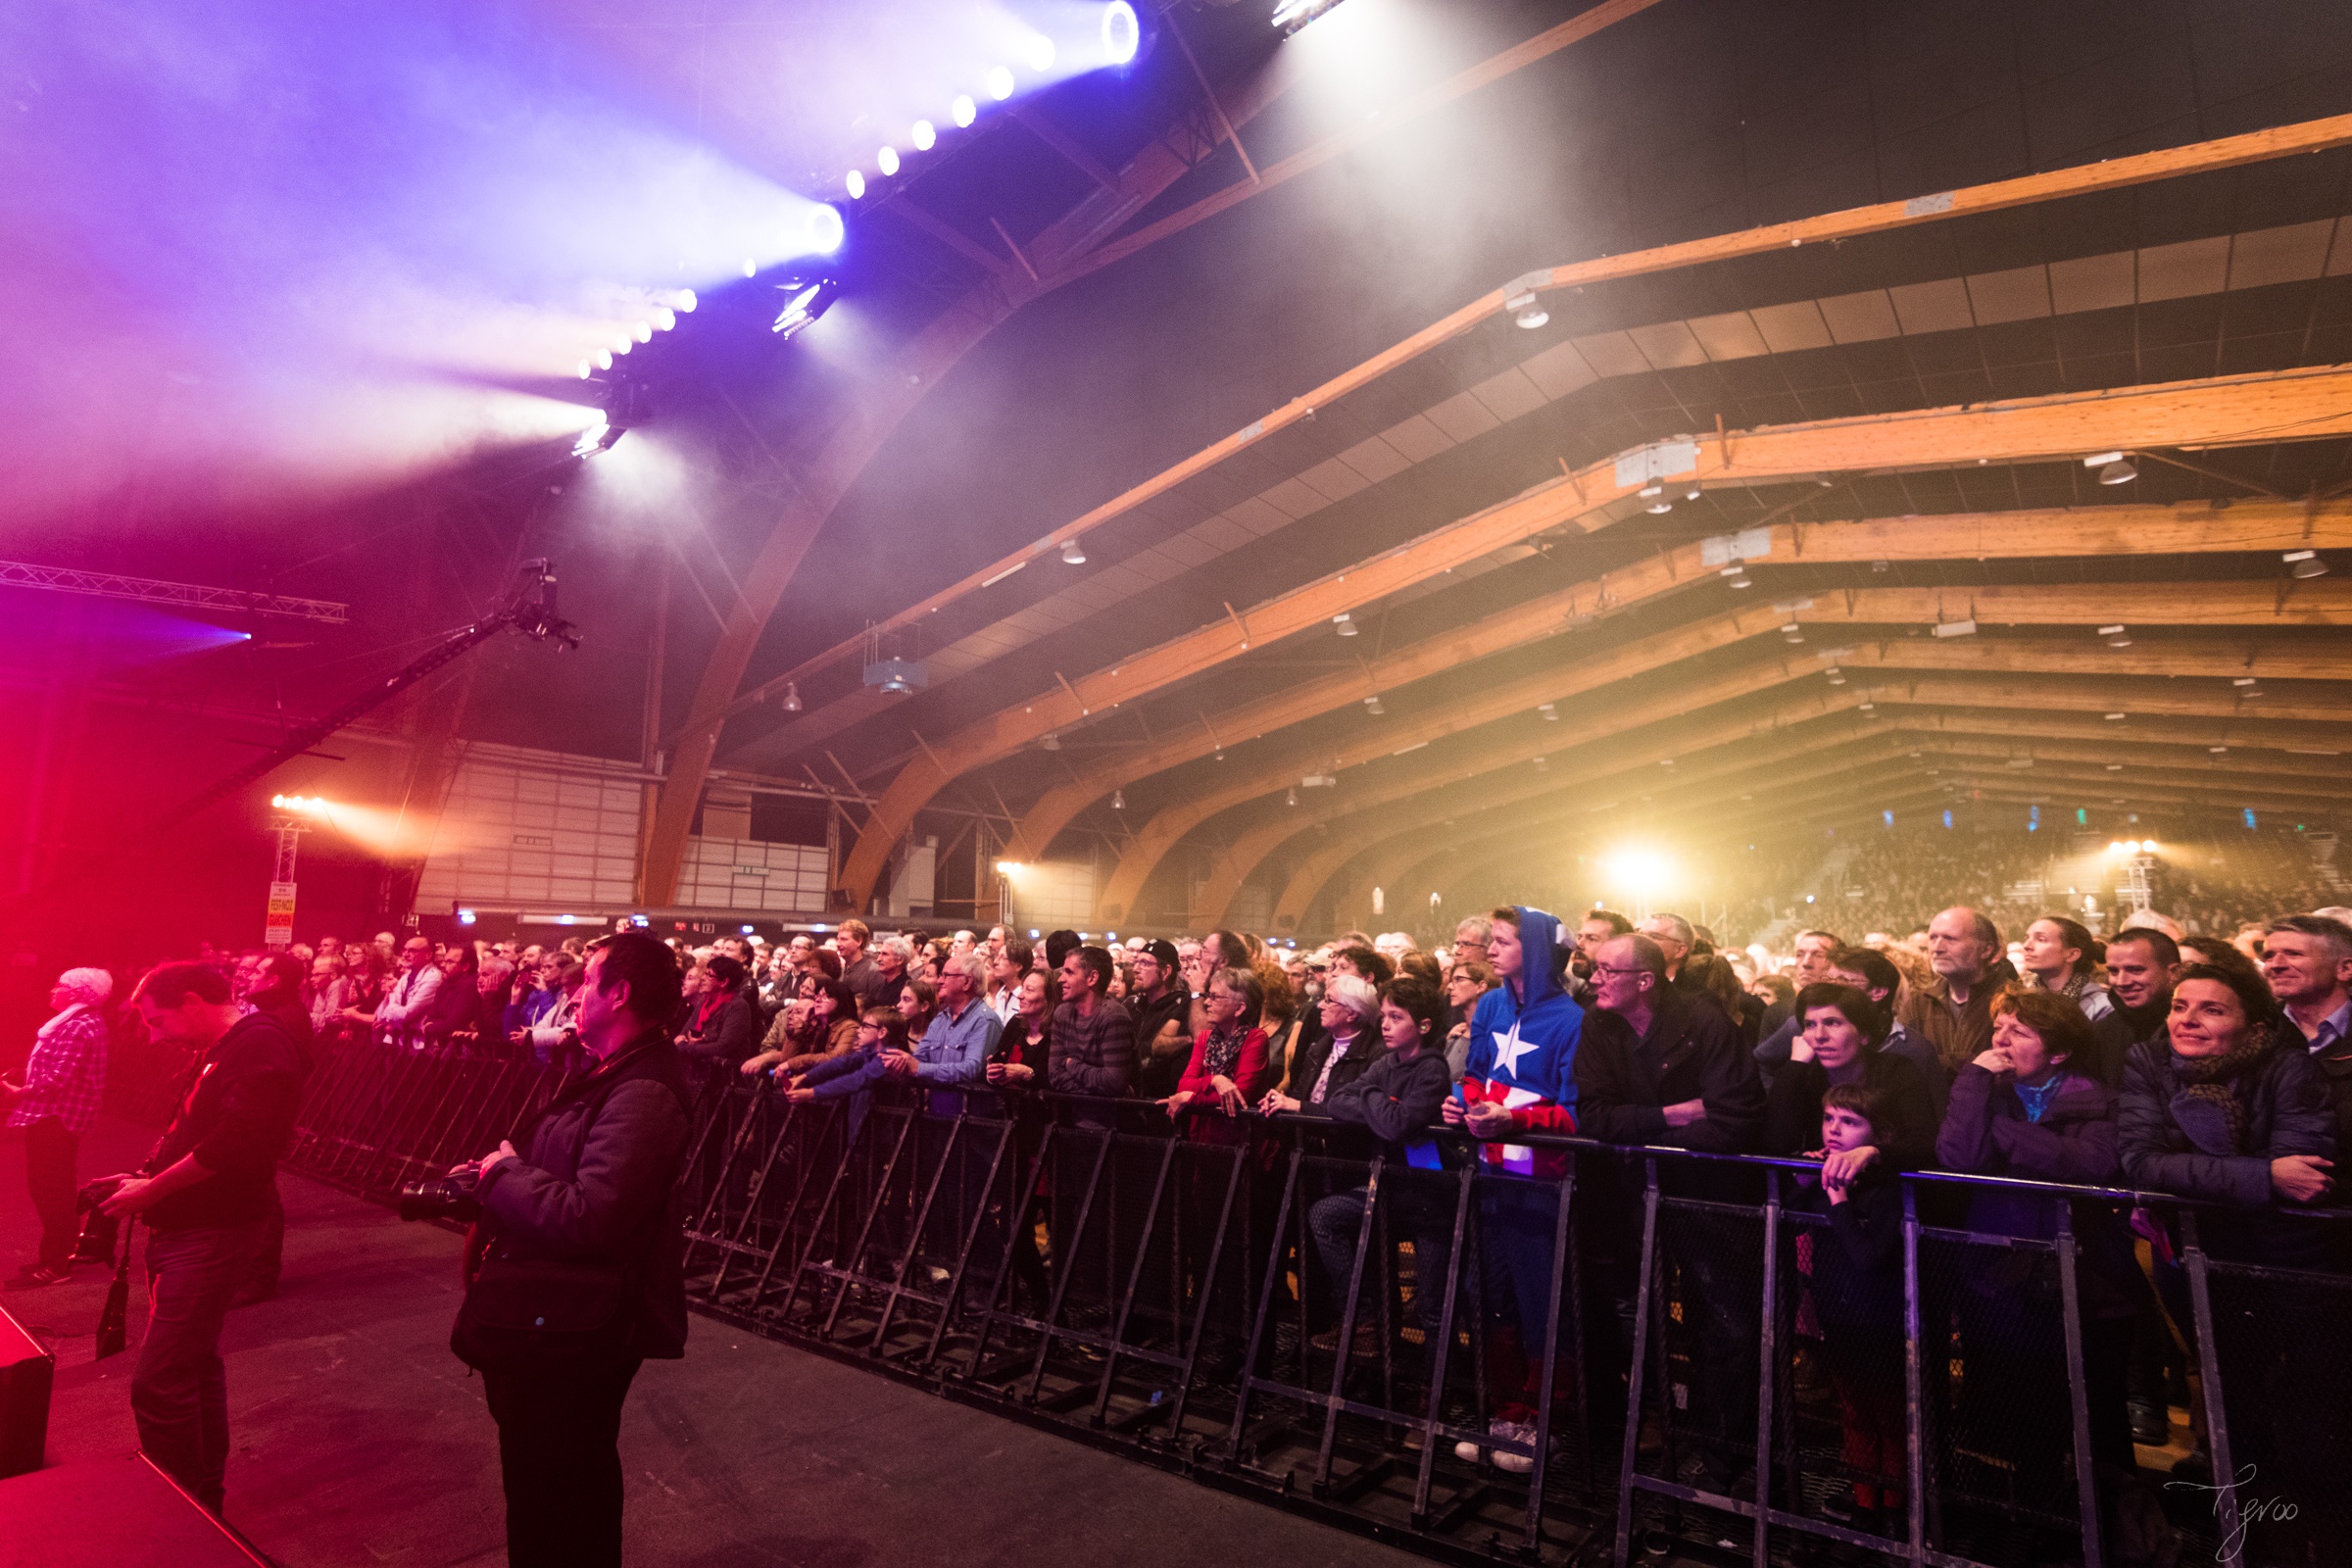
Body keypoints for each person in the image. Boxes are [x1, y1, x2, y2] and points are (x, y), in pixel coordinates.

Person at [451, 932, 693, 1568]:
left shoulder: (644, 1090)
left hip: (578, 1324)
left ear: (620, 993)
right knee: (542, 1489)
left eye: (587, 981)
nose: (574, 993)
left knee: (562, 1494)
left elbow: (593, 1215)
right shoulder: (612, 1071)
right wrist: (493, 1176)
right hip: (551, 1314)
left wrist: (505, 1176)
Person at [98, 962, 304, 1514]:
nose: (154, 1034)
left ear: (192, 1001)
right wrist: (148, 1181)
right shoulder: (236, 1045)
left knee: (159, 1383)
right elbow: (203, 1134)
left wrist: (152, 1190)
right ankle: (199, 1501)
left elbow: (235, 1143)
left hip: (212, 1231)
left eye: (157, 1020)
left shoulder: (258, 1045)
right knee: (192, 1367)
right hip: (196, 1227)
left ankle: (179, 1511)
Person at [1934, 988, 2140, 1537]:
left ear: (2058, 1051)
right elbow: (1958, 1158)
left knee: (2099, 1417)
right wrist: (1975, 1083)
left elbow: (2086, 1163)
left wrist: (1997, 1131)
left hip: (2088, 1278)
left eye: (2019, 1031)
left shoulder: (2099, 1098)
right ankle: (2039, 1526)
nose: (2000, 1039)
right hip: (2006, 1274)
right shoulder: (1983, 1088)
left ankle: (2116, 1535)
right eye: (1999, 1026)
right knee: (2028, 1412)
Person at [1443, 906, 1583, 1473]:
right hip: (1490, 1173)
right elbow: (1477, 1071)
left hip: (1540, 1183)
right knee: (1489, 1293)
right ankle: (1503, 1411)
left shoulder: (1572, 1019)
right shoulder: (1494, 1004)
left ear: (1537, 950)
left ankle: (1545, 1419)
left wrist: (1516, 1121)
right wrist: (1463, 1100)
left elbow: (1576, 1113)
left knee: (1540, 1302)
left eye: (1502, 941)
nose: (1490, 949)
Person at [1301, 976, 1453, 1356]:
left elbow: (1396, 1124)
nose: (1384, 1024)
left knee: (1433, 1307)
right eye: (1383, 1015)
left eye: (1396, 1017)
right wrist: (1379, 1098)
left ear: (1423, 1026)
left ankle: (1434, 1388)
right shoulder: (1386, 1064)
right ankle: (1367, 1316)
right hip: (1391, 1186)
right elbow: (1338, 1101)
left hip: (1429, 1196)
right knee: (1324, 1216)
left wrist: (1369, 1096)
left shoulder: (1432, 1070)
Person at [1791, 1084, 1908, 1536]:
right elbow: (1786, 1225)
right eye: (1828, 1119)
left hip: (1881, 1319)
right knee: (1854, 1412)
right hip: (1835, 1313)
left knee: (1889, 1417)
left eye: (1850, 1121)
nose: (1834, 1130)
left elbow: (1868, 1259)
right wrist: (1802, 1181)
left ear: (1877, 1134)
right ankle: (1865, 1507)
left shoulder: (1887, 1190)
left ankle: (1895, 1511)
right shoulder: (1825, 1175)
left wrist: (1838, 1203)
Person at [3, 967, 112, 1287]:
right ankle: (56, 1256)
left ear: (77, 993)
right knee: (51, 1189)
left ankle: (56, 1266)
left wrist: (18, 1091)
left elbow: (57, 1079)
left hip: (58, 1118)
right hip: (55, 1116)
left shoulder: (79, 1026)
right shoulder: (80, 1022)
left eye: (59, 985)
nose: (53, 990)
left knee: (53, 1192)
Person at [1764, 985, 1936, 1170]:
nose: (1819, 1036)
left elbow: (1924, 1145)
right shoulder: (1804, 1074)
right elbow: (1776, 1144)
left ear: (1863, 1034)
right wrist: (1795, 1066)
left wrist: (1874, 1153)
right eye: (1810, 1025)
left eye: (1832, 1023)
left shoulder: (1897, 1071)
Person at [1895, 906, 2017, 1074]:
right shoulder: (1920, 1002)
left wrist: (1932, 1064)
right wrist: (1974, 1065)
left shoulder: (2016, 1001)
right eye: (1933, 938)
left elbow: (2010, 1066)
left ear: (1986, 949)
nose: (1937, 948)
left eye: (1950, 939)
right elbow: (1901, 1063)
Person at [1160, 966, 1270, 1140]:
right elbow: (1184, 1084)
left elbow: (1240, 1093)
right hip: (1202, 1134)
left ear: (1239, 1008)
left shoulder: (1256, 1038)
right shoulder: (1205, 1037)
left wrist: (1190, 1098)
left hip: (1239, 1139)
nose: (1206, 1002)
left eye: (1215, 997)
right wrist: (1215, 1080)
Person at [890, 954, 1000, 1117]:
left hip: (969, 1122)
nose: (939, 981)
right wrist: (902, 1063)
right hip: (937, 1115)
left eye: (946, 975)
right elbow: (921, 1057)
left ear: (967, 982)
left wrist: (919, 1068)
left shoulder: (985, 1021)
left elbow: (972, 1069)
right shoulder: (941, 1018)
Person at [1048, 946, 1136, 1125]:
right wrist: (1100, 1091)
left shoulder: (1113, 1016)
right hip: (1071, 1122)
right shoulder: (1062, 1013)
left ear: (1092, 978)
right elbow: (1055, 1075)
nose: (1061, 979)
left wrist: (1072, 1065)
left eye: (1069, 972)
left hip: (1114, 1129)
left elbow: (1113, 1081)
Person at [1270, 973, 1379, 1111]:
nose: (1320, 1005)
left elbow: (1356, 1111)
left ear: (1352, 1014)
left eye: (1328, 1000)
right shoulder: (1319, 1048)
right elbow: (1299, 1095)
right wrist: (1279, 1102)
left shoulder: (1376, 1055)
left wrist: (1300, 1106)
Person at [2261, 913, 2352, 1053]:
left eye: (2293, 954)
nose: (2276, 965)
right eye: (2269, 956)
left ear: (2345, 969)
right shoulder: (2253, 1032)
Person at [1126, 940, 1194, 1101]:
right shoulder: (1130, 1005)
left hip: (1159, 1105)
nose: (1136, 969)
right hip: (1127, 1106)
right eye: (1137, 962)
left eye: (1144, 963)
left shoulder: (1183, 1008)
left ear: (1165, 972)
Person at [2018, 915, 2112, 1020]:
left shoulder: (2100, 1007)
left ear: (2072, 954)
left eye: (2041, 939)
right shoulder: (2023, 1001)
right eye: (2027, 938)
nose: (2026, 945)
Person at [677, 955, 762, 1070]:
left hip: (724, 1076)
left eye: (709, 975)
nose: (703, 978)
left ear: (724, 982)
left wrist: (689, 1047)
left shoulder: (738, 1006)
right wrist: (687, 1044)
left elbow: (724, 1046)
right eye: (705, 973)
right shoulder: (704, 1004)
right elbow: (682, 1035)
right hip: (699, 1070)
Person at [368, 933, 442, 1050]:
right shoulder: (405, 978)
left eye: (412, 951)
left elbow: (407, 1014)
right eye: (404, 950)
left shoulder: (434, 978)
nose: (405, 954)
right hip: (396, 1041)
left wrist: (389, 1018)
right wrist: (389, 995)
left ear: (428, 955)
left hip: (419, 1045)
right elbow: (379, 1014)